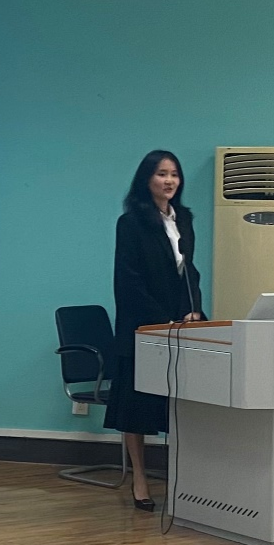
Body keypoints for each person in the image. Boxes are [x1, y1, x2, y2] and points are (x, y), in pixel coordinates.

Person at [104, 150, 203, 512]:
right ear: (146, 179)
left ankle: (186, 479)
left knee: (178, 401)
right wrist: (161, 320)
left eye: (174, 174)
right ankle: (140, 478)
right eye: (162, 174)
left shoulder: (184, 219)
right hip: (143, 325)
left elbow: (190, 271)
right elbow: (128, 281)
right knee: (136, 406)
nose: (169, 180)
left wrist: (194, 310)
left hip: (179, 324)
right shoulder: (130, 223)